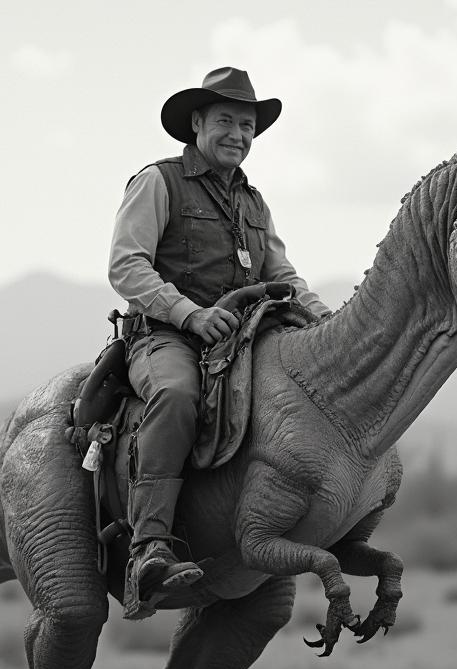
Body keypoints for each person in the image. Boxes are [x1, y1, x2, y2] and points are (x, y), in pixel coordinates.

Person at [108, 66, 330, 619]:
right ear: (197, 123)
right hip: (165, 336)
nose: (239, 134)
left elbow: (284, 273)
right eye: (227, 121)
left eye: (249, 126)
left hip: (243, 338)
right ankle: (147, 547)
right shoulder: (157, 181)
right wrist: (188, 314)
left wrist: (326, 319)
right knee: (178, 395)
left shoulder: (255, 202)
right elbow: (125, 265)